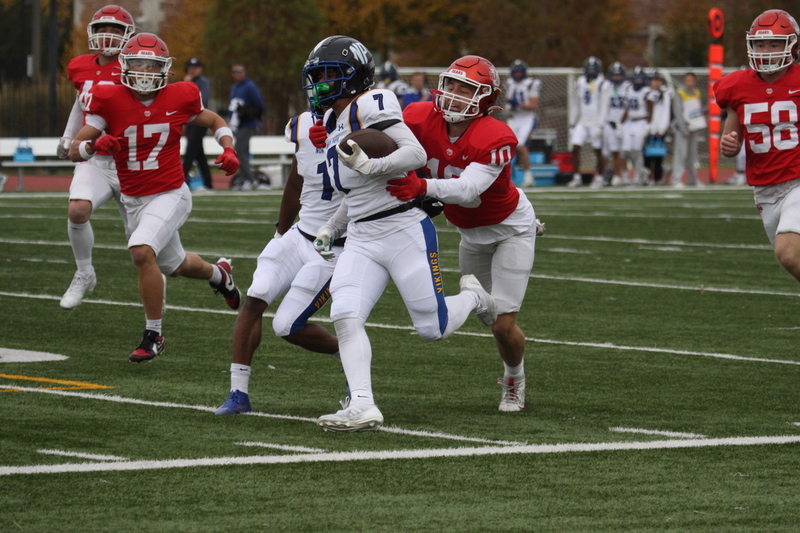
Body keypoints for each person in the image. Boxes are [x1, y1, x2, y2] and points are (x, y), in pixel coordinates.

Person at [303, 36, 497, 431]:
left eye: (328, 75)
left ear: (353, 76)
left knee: (432, 328)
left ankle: (474, 297)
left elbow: (415, 154)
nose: (319, 84)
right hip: (361, 235)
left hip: (402, 228)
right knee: (345, 313)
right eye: (316, 76)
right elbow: (358, 194)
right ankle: (362, 404)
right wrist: (331, 226)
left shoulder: (372, 102)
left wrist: (373, 166)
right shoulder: (333, 122)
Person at [67, 33, 243, 362]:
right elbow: (74, 149)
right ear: (125, 65)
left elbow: (214, 120)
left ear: (165, 68)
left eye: (152, 65)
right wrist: (93, 146)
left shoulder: (181, 95)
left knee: (141, 251)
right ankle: (220, 274)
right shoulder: (109, 98)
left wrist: (229, 148)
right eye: (138, 63)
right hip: (134, 200)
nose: (145, 71)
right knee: (175, 265)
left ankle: (154, 335)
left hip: (171, 192)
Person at [389, 55, 538, 412]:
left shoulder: (496, 135)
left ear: (486, 98)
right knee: (487, 315)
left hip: (510, 229)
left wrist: (422, 186)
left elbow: (468, 188)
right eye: (451, 85)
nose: (455, 94)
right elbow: (379, 135)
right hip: (469, 233)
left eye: (467, 89)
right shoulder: (418, 117)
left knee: (501, 324)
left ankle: (514, 379)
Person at [214, 107, 346, 415]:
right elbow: (296, 183)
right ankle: (238, 393)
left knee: (287, 326)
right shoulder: (303, 124)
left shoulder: (363, 123)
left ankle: (350, 352)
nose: (320, 87)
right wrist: (281, 233)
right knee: (255, 297)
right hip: (300, 234)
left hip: (334, 246)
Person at [56, 5, 136, 310]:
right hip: (95, 158)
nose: (109, 35)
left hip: (130, 161)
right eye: (103, 29)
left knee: (145, 244)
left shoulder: (137, 66)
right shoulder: (81, 66)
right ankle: (84, 272)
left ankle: (214, 274)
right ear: (92, 33)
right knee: (77, 210)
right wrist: (69, 137)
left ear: (128, 35)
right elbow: (82, 104)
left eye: (116, 30)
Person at [716, 9, 800, 287]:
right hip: (765, 187)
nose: (766, 51)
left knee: (788, 254)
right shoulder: (736, 85)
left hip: (798, 179)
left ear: (792, 45)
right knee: (793, 258)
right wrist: (729, 144)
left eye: (775, 44)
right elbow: (732, 139)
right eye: (760, 44)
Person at [567, 57, 607, 188]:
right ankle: (577, 177)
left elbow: (604, 106)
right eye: (589, 69)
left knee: (598, 150)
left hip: (595, 122)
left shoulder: (603, 83)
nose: (590, 72)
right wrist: (573, 122)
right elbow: (576, 104)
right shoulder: (580, 82)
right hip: (582, 121)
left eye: (593, 70)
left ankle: (600, 177)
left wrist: (600, 124)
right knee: (575, 148)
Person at [503, 60, 541, 188]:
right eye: (516, 72)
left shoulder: (531, 84)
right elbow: (507, 101)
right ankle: (506, 177)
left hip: (527, 118)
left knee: (520, 146)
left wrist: (518, 104)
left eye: (520, 72)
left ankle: (528, 176)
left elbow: (533, 105)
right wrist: (509, 106)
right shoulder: (510, 83)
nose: (517, 75)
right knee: (507, 146)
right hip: (515, 118)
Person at [228, 64, 264, 190]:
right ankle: (245, 179)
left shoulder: (249, 86)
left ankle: (250, 179)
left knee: (239, 151)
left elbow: (259, 104)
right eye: (234, 71)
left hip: (248, 123)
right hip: (238, 124)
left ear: (245, 72)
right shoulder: (235, 87)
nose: (237, 73)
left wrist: (255, 117)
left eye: (240, 71)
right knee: (243, 152)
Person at [182, 57, 214, 193]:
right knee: (199, 153)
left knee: (190, 152)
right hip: (190, 121)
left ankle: (181, 181)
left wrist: (187, 86)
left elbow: (201, 100)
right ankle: (208, 183)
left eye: (195, 68)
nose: (192, 70)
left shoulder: (202, 82)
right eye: (190, 68)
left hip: (199, 121)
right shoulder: (190, 82)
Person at [671, 72, 707, 188]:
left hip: (693, 128)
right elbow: (678, 112)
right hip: (683, 129)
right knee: (681, 154)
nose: (690, 83)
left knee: (692, 155)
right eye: (687, 80)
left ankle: (693, 179)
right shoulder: (680, 93)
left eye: (692, 80)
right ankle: (676, 179)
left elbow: (697, 110)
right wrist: (683, 128)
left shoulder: (696, 93)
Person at [620, 66, 651, 185]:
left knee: (637, 151)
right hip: (630, 121)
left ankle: (638, 176)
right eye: (636, 78)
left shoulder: (647, 91)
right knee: (626, 150)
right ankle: (639, 172)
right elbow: (626, 108)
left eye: (640, 79)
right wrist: (620, 124)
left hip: (641, 121)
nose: (638, 81)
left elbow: (651, 110)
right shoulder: (629, 89)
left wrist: (648, 125)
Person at [602, 61, 630, 186]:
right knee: (613, 151)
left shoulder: (628, 86)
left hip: (625, 123)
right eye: (614, 75)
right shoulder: (606, 86)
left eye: (618, 75)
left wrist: (622, 122)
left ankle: (624, 174)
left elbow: (629, 106)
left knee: (625, 151)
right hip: (610, 122)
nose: (616, 78)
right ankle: (615, 175)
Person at [642, 70, 672, 185]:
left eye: (658, 80)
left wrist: (662, 129)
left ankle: (657, 178)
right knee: (647, 155)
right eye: (653, 80)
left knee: (659, 155)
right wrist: (651, 128)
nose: (656, 83)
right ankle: (646, 177)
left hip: (661, 128)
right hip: (648, 128)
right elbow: (649, 112)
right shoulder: (647, 93)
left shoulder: (666, 93)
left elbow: (666, 112)